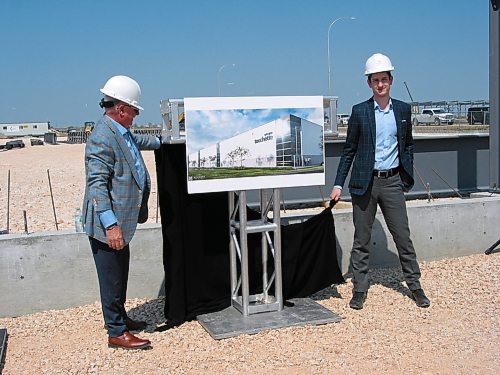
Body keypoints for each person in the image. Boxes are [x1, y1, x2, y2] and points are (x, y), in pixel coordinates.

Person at [329, 53, 430, 310]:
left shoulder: (403, 110)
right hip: (365, 184)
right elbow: (349, 150)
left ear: (391, 80)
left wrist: (406, 177)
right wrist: (338, 183)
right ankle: (360, 289)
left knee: (402, 237)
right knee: (361, 240)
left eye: (384, 79)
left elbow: (407, 146)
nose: (380, 84)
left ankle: (415, 286)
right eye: (376, 80)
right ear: (369, 83)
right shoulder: (360, 112)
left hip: (393, 181)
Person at [82, 75, 161, 349]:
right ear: (122, 109)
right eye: (135, 111)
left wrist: (168, 141)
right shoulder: (102, 137)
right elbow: (96, 186)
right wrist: (111, 225)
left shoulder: (119, 130)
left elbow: (137, 141)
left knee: (120, 273)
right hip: (109, 225)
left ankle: (120, 318)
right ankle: (116, 332)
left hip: (122, 224)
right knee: (111, 276)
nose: (136, 117)